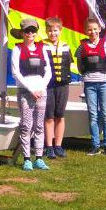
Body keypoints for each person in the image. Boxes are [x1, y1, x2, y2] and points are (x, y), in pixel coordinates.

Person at [11, 17, 52, 171]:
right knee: (26, 126)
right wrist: (30, 89)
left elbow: (48, 71)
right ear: (22, 33)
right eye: (27, 31)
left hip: (41, 91)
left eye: (33, 31)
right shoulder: (17, 49)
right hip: (25, 91)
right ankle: (27, 159)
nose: (30, 34)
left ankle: (39, 158)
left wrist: (41, 88)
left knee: (39, 125)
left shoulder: (42, 49)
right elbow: (16, 72)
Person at [76, 17, 106, 156]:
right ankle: (95, 146)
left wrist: (104, 72)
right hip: (89, 84)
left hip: (104, 84)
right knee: (93, 115)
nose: (92, 32)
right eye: (89, 29)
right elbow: (79, 64)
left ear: (99, 29)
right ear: (85, 31)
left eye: (94, 29)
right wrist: (85, 74)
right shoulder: (81, 47)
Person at [43, 16, 73, 159]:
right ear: (46, 31)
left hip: (63, 85)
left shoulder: (66, 46)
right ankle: (49, 146)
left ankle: (58, 146)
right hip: (48, 86)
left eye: (55, 30)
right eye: (49, 31)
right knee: (49, 116)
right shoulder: (42, 46)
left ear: (60, 31)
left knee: (60, 115)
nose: (52, 33)